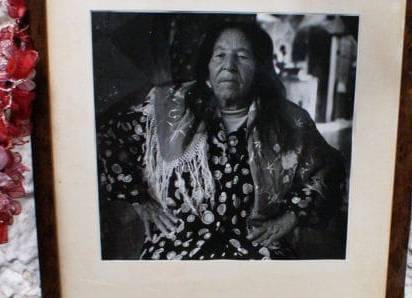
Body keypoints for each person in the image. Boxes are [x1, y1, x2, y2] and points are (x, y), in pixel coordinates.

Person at [98, 20, 347, 260]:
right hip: (178, 249)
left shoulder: (289, 119)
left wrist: (290, 218)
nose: (229, 66)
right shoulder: (170, 105)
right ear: (207, 64)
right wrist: (141, 201)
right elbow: (110, 138)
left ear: (259, 67)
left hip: (257, 250)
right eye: (219, 55)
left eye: (242, 56)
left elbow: (329, 169)